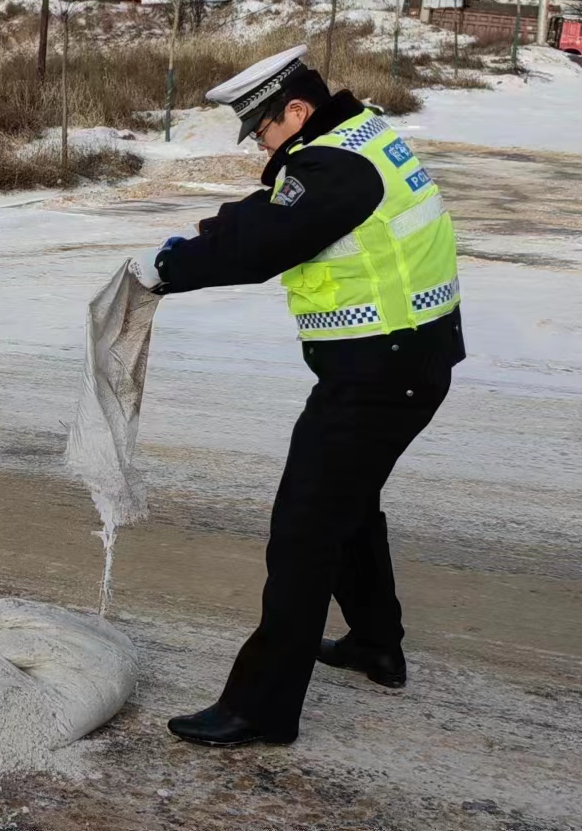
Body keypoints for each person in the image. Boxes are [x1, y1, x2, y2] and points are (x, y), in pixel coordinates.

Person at [148, 43, 463, 747]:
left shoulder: (334, 166)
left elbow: (262, 246)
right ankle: (376, 643)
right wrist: (195, 237)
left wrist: (168, 268)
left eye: (261, 129)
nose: (259, 142)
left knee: (303, 531)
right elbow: (271, 212)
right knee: (346, 506)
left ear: (296, 111)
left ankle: (261, 709)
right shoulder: (359, 138)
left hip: (382, 374)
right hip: (405, 361)